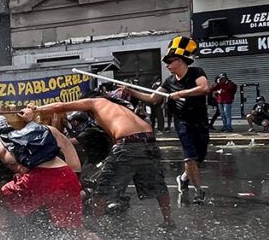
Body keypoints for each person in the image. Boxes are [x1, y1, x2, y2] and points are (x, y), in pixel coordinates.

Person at [31, 91, 175, 229]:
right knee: (158, 185)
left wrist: (36, 109)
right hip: (149, 142)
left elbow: (59, 106)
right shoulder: (118, 108)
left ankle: (95, 225)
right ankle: (168, 221)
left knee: (101, 186)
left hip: (128, 144)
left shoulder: (96, 101)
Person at [123, 38, 210, 204]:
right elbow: (153, 98)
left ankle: (184, 178)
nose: (167, 65)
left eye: (170, 61)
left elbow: (204, 88)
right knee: (190, 158)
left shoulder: (196, 73)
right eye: (166, 62)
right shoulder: (169, 82)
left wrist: (181, 94)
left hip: (200, 121)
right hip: (183, 122)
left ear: (181, 61)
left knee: (198, 158)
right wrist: (132, 92)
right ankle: (199, 192)